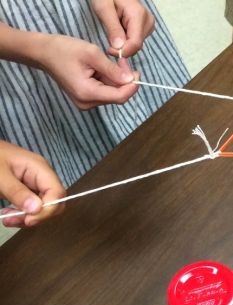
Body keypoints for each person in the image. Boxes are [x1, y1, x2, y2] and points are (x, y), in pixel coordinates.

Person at [0, 0, 190, 225]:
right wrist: (36, 48)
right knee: (82, 216)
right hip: (21, 78)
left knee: (180, 158)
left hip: (101, 21)